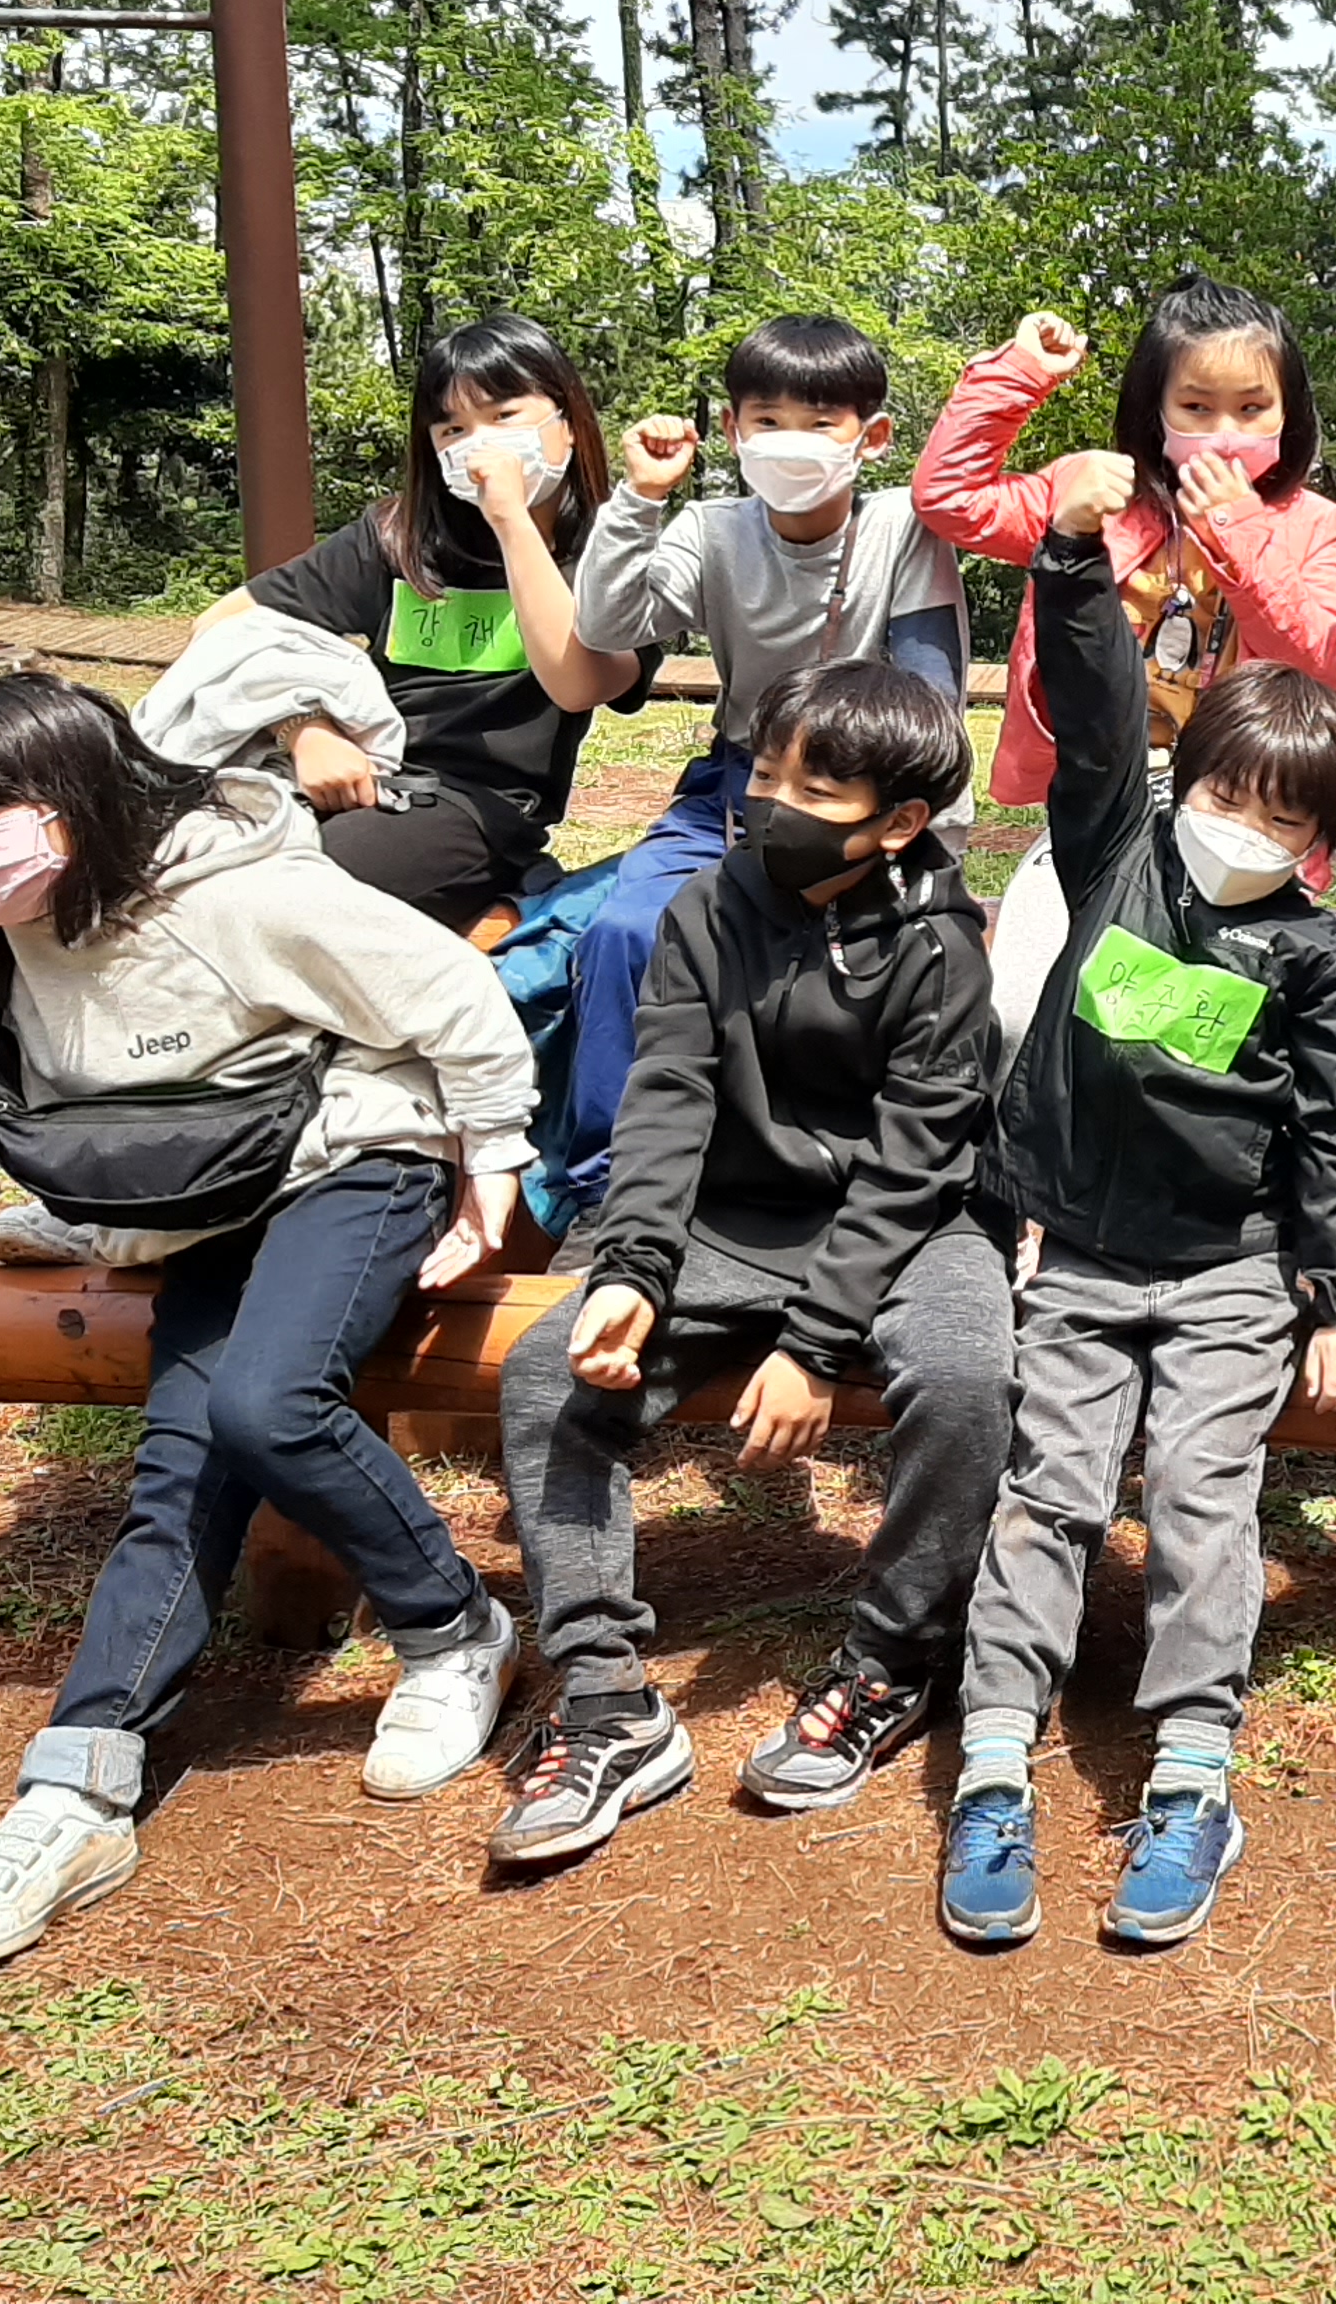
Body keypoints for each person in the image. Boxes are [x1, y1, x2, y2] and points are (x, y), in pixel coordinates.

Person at [0, 676, 537, 1974]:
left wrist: (494, 1167)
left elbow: (453, 1001)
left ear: (79, 796)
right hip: (203, 1206)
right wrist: (98, 1231)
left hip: (355, 1157)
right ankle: (74, 1791)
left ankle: (456, 1628)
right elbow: (101, 1117)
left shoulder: (239, 896)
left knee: (265, 1403)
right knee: (179, 1467)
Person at [934, 480, 1336, 1953]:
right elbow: (1089, 708)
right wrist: (1074, 561)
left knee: (1202, 1495)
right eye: (1225, 796)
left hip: (1231, 1272)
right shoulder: (1113, 856)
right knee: (1051, 1493)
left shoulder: (1313, 959)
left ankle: (1192, 1775)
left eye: (1283, 817)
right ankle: (994, 1762)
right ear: (1180, 781)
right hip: (1077, 1254)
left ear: (1321, 840)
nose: (1244, 830)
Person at [485, 657, 1013, 1866]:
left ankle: (892, 1658)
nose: (770, 805)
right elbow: (665, 1096)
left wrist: (815, 1345)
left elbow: (916, 1162)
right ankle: (605, 1697)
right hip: (728, 1219)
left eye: (814, 790)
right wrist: (630, 1268)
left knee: (968, 1379)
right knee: (547, 1375)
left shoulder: (943, 947)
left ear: (899, 823)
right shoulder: (704, 909)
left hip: (913, 1225)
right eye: (766, 774)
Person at [557, 314, 969, 1206]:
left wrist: (935, 843)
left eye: (821, 423)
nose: (792, 442)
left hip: (866, 792)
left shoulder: (902, 529)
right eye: (768, 420)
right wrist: (639, 500)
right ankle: (604, 1186)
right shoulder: (709, 529)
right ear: (733, 430)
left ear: (872, 437)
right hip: (739, 781)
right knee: (627, 931)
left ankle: (868, 1175)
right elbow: (607, 625)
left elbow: (931, 702)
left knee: (893, 957)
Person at [913, 269, 1336, 1033]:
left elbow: (1323, 660)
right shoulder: (1097, 493)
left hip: (1245, 819)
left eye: (1252, 408)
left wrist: (1237, 530)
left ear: (1290, 413)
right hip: (1101, 806)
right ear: (1155, 411)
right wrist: (1019, 375)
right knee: (1019, 1017)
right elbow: (949, 500)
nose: (1224, 431)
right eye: (1197, 407)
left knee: (1197, 1035)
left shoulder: (1315, 526)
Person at [193, 313, 654, 929]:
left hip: (475, 807)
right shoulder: (399, 536)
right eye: (453, 429)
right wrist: (305, 727)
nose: (480, 445)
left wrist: (510, 521)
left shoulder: (617, 552)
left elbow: (579, 684)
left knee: (287, 896)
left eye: (504, 415)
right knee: (181, 867)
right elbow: (222, 625)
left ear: (567, 424)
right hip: (358, 768)